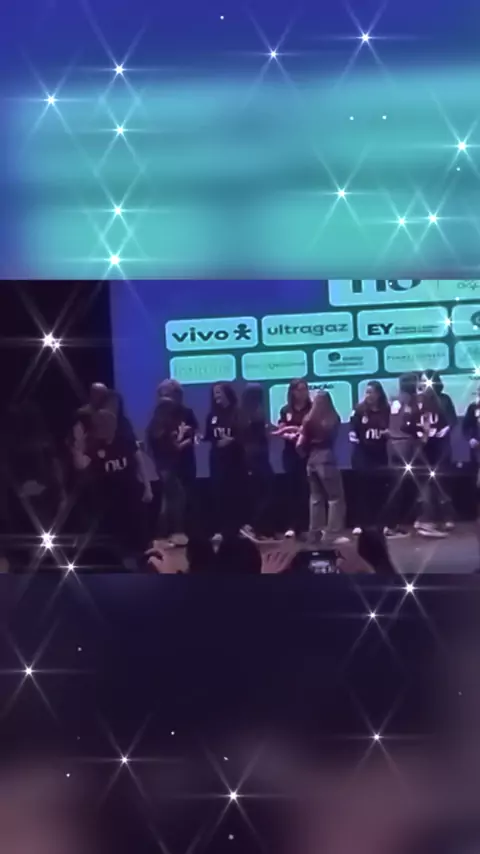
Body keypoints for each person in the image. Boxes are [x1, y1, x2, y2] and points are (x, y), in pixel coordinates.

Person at [72, 395, 152, 566]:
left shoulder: (124, 439)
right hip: (108, 500)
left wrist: (147, 487)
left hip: (131, 494)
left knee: (138, 533)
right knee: (115, 536)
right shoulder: (94, 445)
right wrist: (78, 445)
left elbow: (138, 459)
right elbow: (81, 465)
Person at [297, 390, 348, 546]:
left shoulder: (307, 419)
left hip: (311, 460)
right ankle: (332, 534)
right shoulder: (334, 419)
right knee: (335, 497)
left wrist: (304, 455)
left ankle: (315, 534)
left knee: (315, 498)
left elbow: (300, 444)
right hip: (327, 458)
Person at [405, 384, 451, 537]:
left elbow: (445, 427)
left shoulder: (437, 407)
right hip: (419, 451)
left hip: (433, 451)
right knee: (425, 485)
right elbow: (405, 425)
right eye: (420, 387)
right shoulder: (412, 405)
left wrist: (433, 434)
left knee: (431, 484)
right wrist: (420, 434)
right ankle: (426, 522)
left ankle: (426, 520)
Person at [204, 383, 248, 537]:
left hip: (235, 461)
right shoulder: (212, 415)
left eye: (219, 392)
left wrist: (231, 440)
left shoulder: (238, 413)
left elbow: (244, 435)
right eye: (214, 393)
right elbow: (209, 436)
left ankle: (239, 527)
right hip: (217, 461)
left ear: (227, 393)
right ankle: (222, 530)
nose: (217, 396)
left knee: (235, 494)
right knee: (219, 495)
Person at [146, 394, 189, 545]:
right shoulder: (162, 427)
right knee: (176, 500)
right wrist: (185, 440)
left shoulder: (154, 426)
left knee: (167, 502)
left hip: (161, 467)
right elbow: (172, 448)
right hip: (166, 468)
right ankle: (171, 533)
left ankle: (162, 534)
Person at [417, 370, 457, 529]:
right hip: (424, 447)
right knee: (425, 483)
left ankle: (448, 517)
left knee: (442, 481)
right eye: (422, 381)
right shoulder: (418, 400)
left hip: (441, 446)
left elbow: (452, 420)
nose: (424, 384)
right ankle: (427, 517)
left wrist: (444, 430)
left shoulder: (444, 399)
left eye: (427, 381)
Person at [349, 381, 390, 535]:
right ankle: (360, 523)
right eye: (366, 392)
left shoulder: (386, 410)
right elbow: (353, 433)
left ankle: (381, 523)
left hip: (380, 456)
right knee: (362, 491)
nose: (368, 395)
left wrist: (388, 434)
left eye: (371, 392)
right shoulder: (359, 411)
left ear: (378, 394)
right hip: (362, 456)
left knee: (380, 491)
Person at [156, 379, 198, 532]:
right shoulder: (159, 415)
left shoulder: (187, 413)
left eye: (168, 394)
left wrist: (186, 441)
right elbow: (157, 439)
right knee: (170, 500)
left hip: (186, 461)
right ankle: (167, 533)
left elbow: (195, 434)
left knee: (186, 498)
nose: (165, 398)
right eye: (162, 395)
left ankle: (184, 531)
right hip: (167, 464)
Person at [273, 379, 312, 538]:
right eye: (299, 389)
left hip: (308, 453)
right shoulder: (285, 410)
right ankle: (292, 525)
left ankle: (308, 525)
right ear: (292, 392)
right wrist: (288, 434)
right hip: (290, 453)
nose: (302, 393)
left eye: (305, 389)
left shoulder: (312, 409)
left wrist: (300, 434)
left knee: (307, 490)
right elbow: (281, 428)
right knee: (292, 489)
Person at [239, 383, 275, 539]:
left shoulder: (243, 413)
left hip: (253, 458)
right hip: (257, 458)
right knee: (265, 494)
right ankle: (254, 527)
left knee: (260, 494)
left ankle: (257, 528)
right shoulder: (256, 413)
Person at [386, 373, 419, 538]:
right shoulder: (409, 401)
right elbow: (407, 424)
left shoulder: (394, 400)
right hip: (403, 446)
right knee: (398, 489)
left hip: (392, 445)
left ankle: (393, 524)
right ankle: (392, 526)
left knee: (396, 487)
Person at [462, 386, 480, 518]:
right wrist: (470, 439)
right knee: (476, 482)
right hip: (476, 451)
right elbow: (465, 427)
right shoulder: (473, 408)